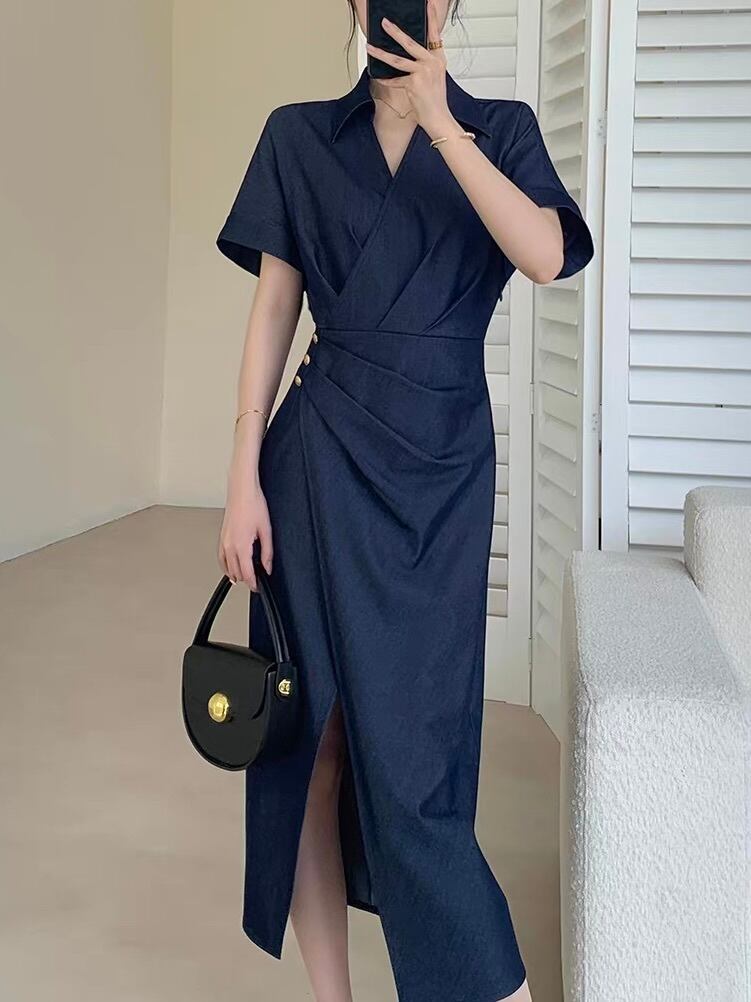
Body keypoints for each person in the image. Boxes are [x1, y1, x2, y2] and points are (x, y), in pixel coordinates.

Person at [216, 1, 594, 999]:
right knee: (308, 744)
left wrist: (439, 123)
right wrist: (241, 476)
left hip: (439, 476)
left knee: (416, 761)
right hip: (314, 464)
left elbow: (545, 255)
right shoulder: (298, 136)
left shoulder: (499, 128)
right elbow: (273, 307)